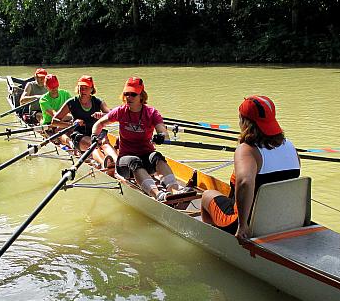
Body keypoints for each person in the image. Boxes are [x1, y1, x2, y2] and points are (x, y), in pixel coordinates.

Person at [200, 95, 301, 239]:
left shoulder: (247, 150)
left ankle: (214, 241)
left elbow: (245, 183)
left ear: (244, 122)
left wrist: (242, 225)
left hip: (251, 224)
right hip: (283, 219)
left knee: (206, 195)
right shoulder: (290, 146)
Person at [91, 77, 191, 201]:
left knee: (157, 157)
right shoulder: (120, 111)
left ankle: (175, 190)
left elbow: (163, 132)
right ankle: (158, 194)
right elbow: (99, 124)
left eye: (133, 94)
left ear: (141, 96)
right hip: (125, 161)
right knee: (134, 161)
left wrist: (161, 136)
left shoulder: (151, 113)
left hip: (146, 156)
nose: (129, 97)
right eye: (126, 94)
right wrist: (94, 136)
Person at [52, 75, 116, 167]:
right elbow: (54, 121)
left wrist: (103, 115)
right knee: (93, 144)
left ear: (91, 89)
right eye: (81, 88)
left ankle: (118, 164)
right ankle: (105, 164)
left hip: (97, 133)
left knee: (105, 143)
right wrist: (71, 124)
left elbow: (111, 116)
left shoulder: (98, 102)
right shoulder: (72, 103)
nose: (82, 90)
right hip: (80, 135)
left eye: (86, 88)